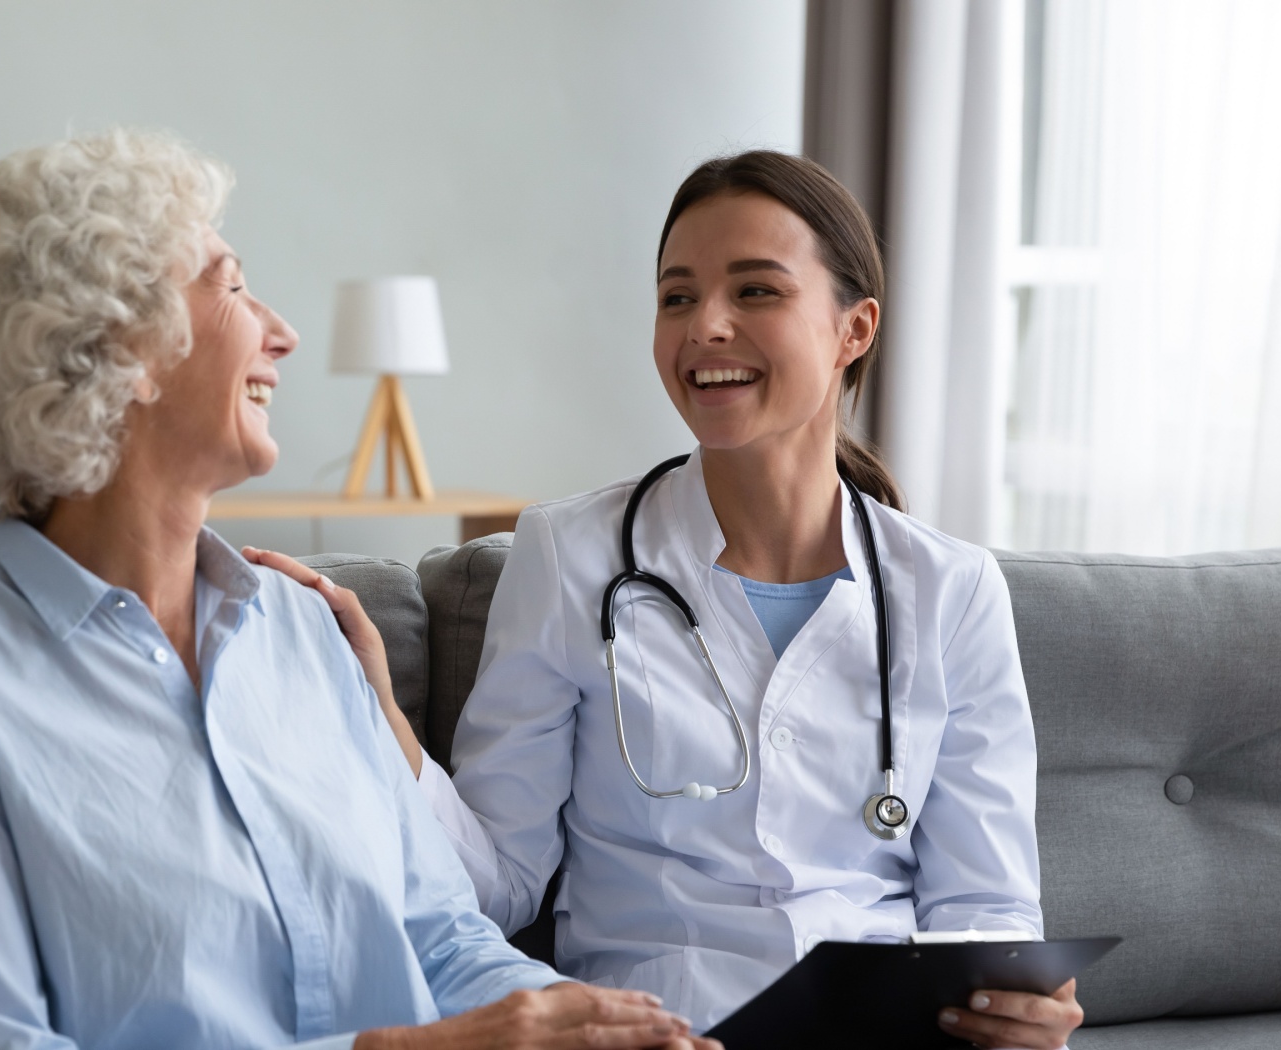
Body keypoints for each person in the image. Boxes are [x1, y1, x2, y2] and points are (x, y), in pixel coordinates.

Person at [0, 128, 716, 1050]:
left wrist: (599, 1026)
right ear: (121, 346)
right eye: (231, 286)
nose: (282, 332)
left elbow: (444, 937)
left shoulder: (302, 630)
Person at [252, 151, 1085, 1049]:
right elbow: (496, 883)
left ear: (855, 329)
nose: (707, 327)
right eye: (678, 297)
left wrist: (1022, 1009)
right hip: (670, 1031)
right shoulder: (570, 556)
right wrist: (384, 712)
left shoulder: (952, 592)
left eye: (756, 291)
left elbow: (986, 909)